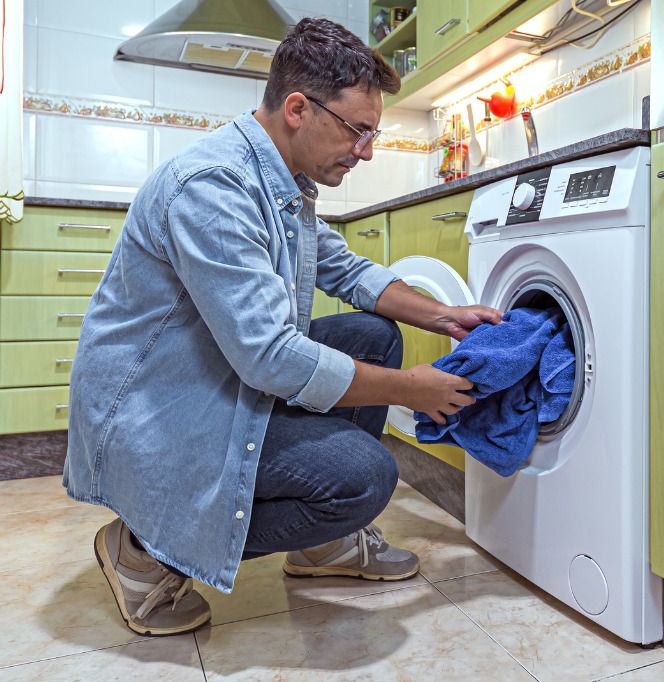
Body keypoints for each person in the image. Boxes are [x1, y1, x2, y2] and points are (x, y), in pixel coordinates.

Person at [63, 17, 502, 637]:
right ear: (298, 108)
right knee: (365, 479)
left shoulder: (282, 186)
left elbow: (346, 270)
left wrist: (443, 314)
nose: (367, 151)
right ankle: (144, 551)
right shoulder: (214, 188)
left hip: (212, 377)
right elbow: (271, 358)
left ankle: (322, 546)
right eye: (358, 131)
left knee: (373, 335)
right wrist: (414, 389)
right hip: (160, 412)